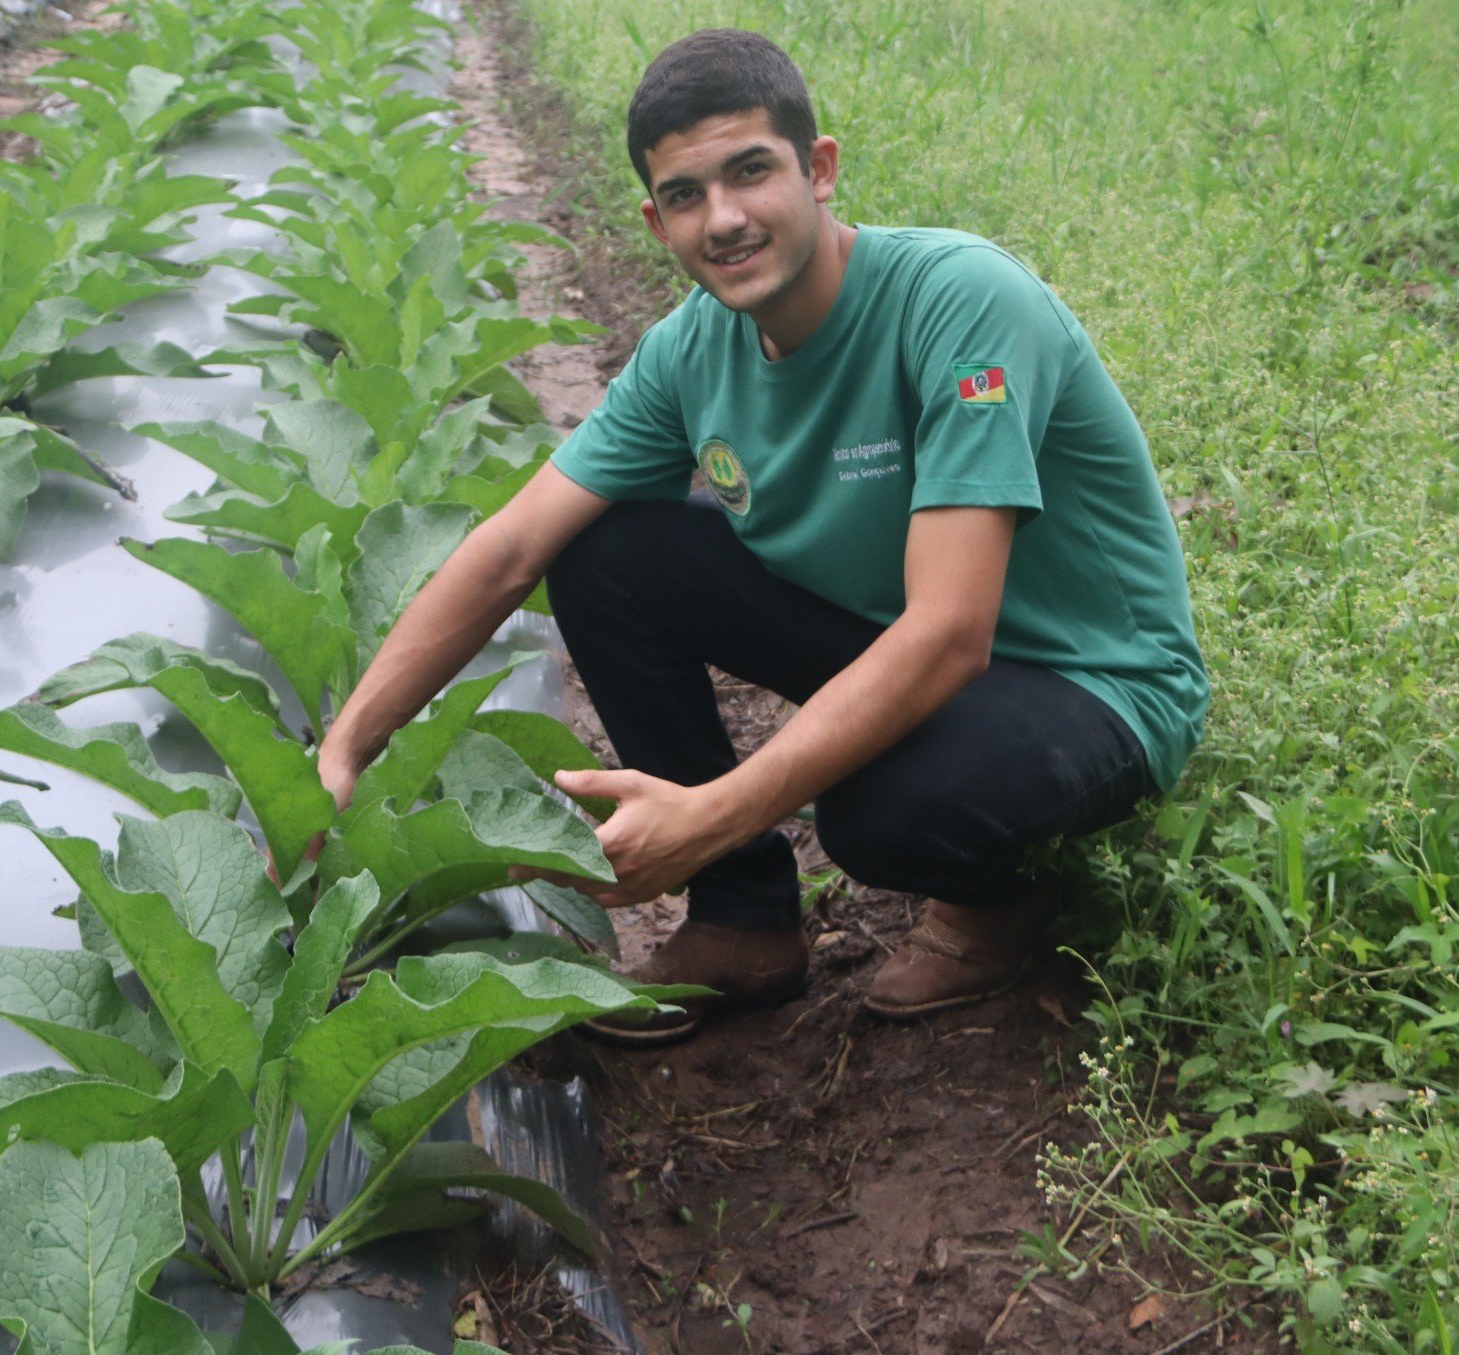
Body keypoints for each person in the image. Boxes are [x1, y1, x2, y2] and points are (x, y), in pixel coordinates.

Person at [315, 28, 1208, 1044]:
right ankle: (742, 923)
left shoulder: (961, 304)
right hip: (897, 639)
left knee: (879, 814)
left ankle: (997, 902)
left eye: (751, 173)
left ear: (818, 169)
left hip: (1087, 679)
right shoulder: (691, 352)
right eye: (687, 195)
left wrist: (713, 811)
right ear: (655, 220)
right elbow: (511, 548)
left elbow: (955, 630)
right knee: (605, 555)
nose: (725, 219)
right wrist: (345, 749)